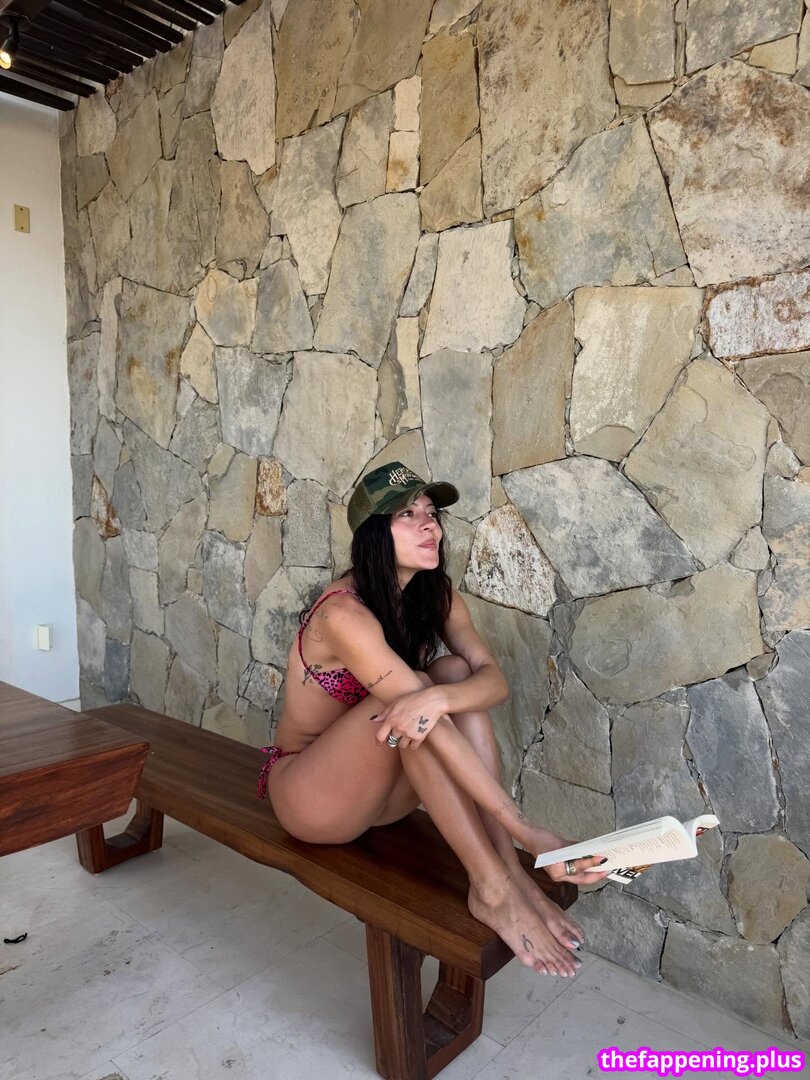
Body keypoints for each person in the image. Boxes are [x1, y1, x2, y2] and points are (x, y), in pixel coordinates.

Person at [259, 461, 608, 978]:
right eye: (408, 514)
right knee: (415, 697)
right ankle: (491, 887)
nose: (430, 526)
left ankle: (509, 874)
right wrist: (526, 829)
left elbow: (492, 681)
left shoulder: (435, 594)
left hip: (383, 797)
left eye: (431, 513)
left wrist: (441, 698)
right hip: (311, 799)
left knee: (450, 675)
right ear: (374, 534)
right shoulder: (342, 614)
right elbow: (411, 709)